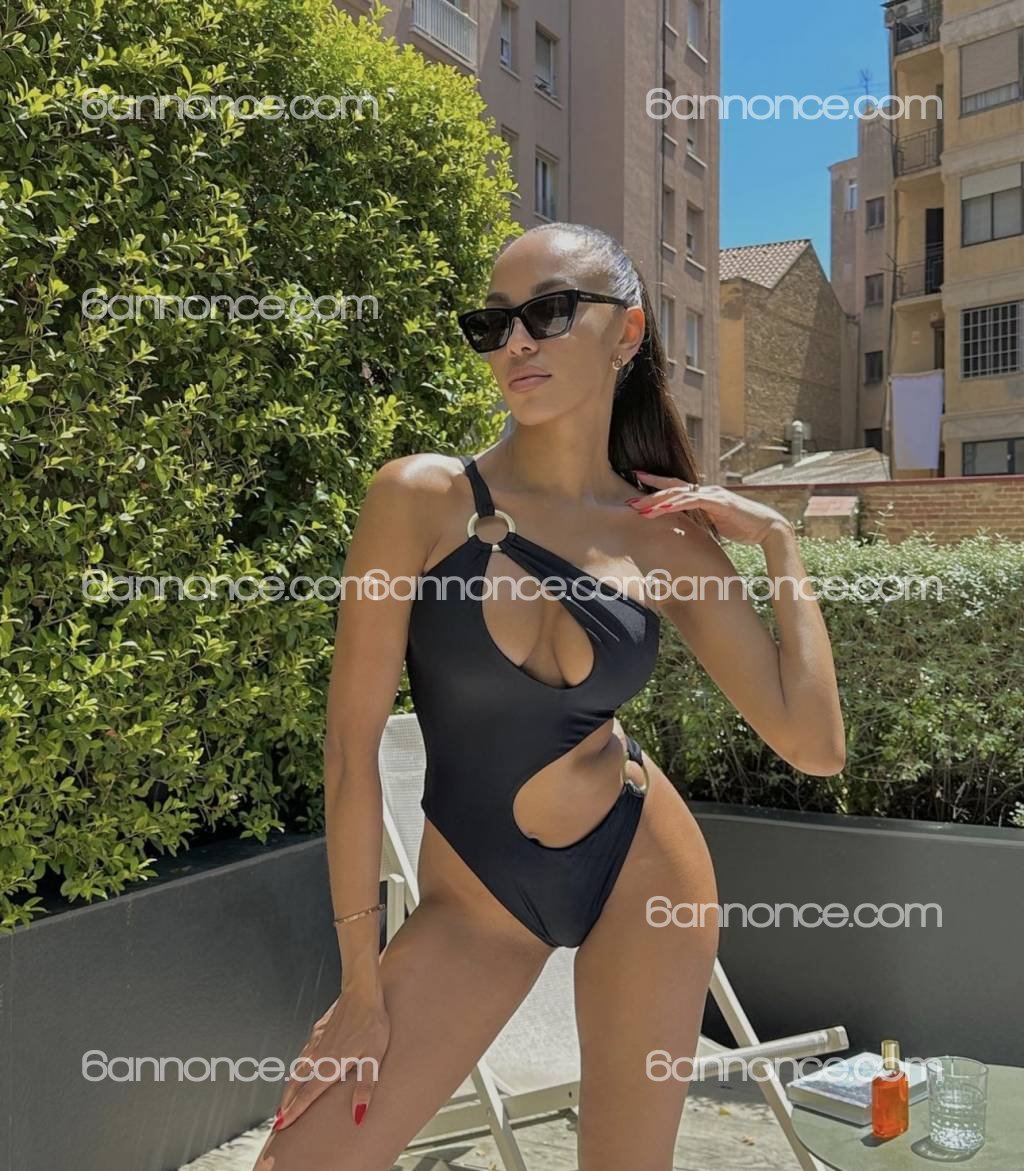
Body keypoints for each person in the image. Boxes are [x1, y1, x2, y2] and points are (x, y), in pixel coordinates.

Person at [254, 222, 845, 1171]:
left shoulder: (663, 536)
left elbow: (814, 746)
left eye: (550, 311)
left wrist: (779, 545)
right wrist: (361, 985)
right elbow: (349, 749)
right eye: (494, 323)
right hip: (478, 898)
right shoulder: (420, 499)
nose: (516, 341)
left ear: (627, 332)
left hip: (644, 872)